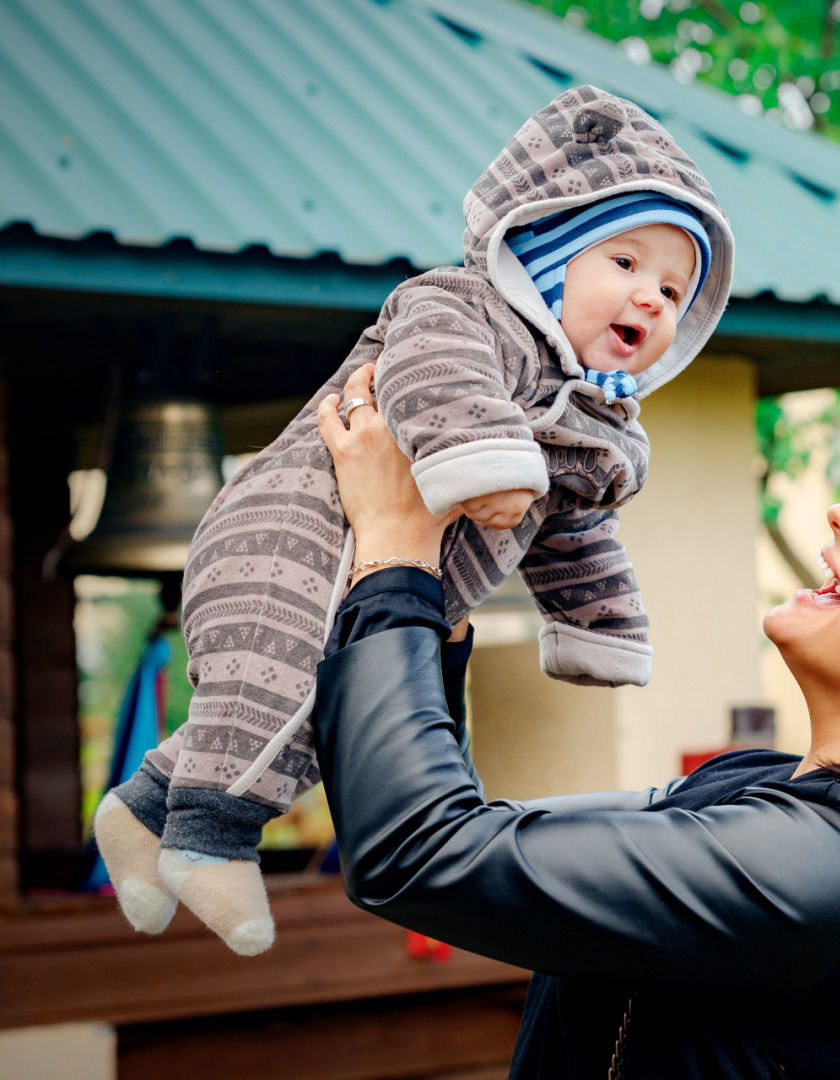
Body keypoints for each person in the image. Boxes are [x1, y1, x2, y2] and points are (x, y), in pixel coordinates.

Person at [310, 364, 840, 1079]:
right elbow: (485, 843)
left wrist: (396, 553)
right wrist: (440, 601)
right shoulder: (760, 792)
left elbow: (419, 854)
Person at [92, 85, 736, 956]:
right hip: (292, 535)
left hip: (386, 583)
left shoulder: (593, 426)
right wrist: (485, 457)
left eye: (673, 289)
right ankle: (214, 838)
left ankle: (141, 813)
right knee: (274, 686)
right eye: (625, 264)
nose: (653, 299)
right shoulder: (461, 308)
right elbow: (437, 378)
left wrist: (602, 627)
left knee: (332, 716)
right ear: (543, 252)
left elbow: (579, 533)